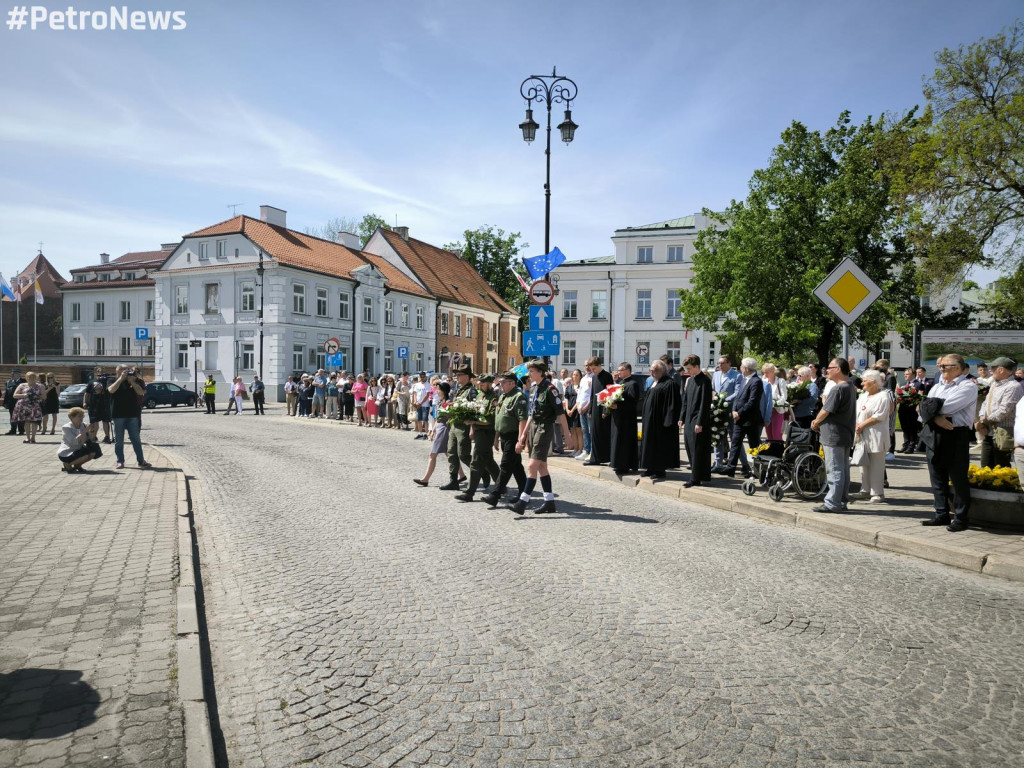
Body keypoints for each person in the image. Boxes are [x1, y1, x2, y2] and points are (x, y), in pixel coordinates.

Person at [919, 354, 977, 532]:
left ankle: (960, 517)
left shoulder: (967, 386)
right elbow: (922, 410)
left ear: (958, 368)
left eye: (945, 366)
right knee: (936, 475)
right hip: (934, 431)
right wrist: (935, 417)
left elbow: (946, 407)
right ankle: (941, 514)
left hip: (954, 433)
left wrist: (929, 409)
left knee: (957, 477)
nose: (941, 369)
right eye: (940, 366)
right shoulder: (937, 386)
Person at [510, 360, 573, 515]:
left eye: (532, 371)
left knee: (532, 466)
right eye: (529, 371)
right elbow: (531, 413)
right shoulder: (534, 389)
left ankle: (522, 502)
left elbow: (561, 414)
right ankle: (549, 502)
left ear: (540, 372)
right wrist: (524, 433)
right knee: (542, 467)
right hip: (533, 428)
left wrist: (567, 435)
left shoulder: (550, 390)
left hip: (544, 429)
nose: (529, 374)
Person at [810, 358, 857, 513]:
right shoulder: (850, 385)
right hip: (844, 433)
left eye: (829, 367)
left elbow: (826, 410)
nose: (826, 370)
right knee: (843, 469)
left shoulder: (838, 389)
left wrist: (816, 422)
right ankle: (841, 500)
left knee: (834, 469)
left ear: (837, 369)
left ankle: (832, 503)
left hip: (834, 434)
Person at [481, 371, 528, 508]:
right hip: (504, 435)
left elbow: (522, 420)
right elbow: (499, 418)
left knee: (506, 466)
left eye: (503, 383)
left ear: (512, 383)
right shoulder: (503, 397)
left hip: (513, 436)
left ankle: (495, 495)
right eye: (500, 382)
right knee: (516, 467)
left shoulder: (518, 397)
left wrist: (521, 440)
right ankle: (525, 494)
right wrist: (496, 437)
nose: (500, 385)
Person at [455, 373, 501, 502]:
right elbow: (474, 413)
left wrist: (473, 423)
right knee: (488, 461)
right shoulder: (480, 395)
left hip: (487, 433)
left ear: (489, 384)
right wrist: (472, 428)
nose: (480, 386)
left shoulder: (494, 399)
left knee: (476, 461)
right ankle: (500, 485)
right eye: (479, 384)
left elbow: (491, 420)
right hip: (478, 431)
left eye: (482, 384)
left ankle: (469, 493)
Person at [414, 382, 467, 488]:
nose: (436, 391)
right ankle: (461, 475)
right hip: (439, 428)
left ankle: (425, 479)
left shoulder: (448, 402)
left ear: (444, 391)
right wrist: (433, 429)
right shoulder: (440, 401)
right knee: (449, 454)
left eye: (438, 389)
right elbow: (437, 418)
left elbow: (450, 418)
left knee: (432, 454)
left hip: (444, 430)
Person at [638, 359, 682, 480]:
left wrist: (668, 420)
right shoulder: (654, 382)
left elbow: (672, 404)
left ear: (662, 371)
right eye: (651, 370)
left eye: (654, 370)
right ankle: (649, 467)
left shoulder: (669, 383)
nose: (651, 373)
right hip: (650, 421)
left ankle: (659, 470)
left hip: (660, 422)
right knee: (649, 444)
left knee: (659, 446)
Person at [718, 357, 763, 478]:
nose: (740, 368)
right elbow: (738, 397)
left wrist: (739, 413)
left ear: (747, 369)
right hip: (738, 419)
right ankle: (730, 468)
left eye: (742, 366)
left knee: (754, 446)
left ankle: (756, 471)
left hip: (750, 420)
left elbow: (752, 402)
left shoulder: (756, 381)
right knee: (735, 444)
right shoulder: (744, 379)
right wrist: (734, 410)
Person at [852, 370, 892, 503]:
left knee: (876, 464)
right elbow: (856, 411)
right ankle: (865, 489)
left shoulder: (883, 396)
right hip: (862, 433)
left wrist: (862, 424)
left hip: (876, 434)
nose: (862, 383)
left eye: (864, 380)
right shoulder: (863, 396)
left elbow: (879, 415)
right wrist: (857, 424)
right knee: (863, 462)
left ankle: (877, 493)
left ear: (874, 382)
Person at [976, 356, 1022, 469]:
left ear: (1001, 370)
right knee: (985, 466)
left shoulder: (1014, 386)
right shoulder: (994, 384)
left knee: (1001, 467)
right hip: (988, 431)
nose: (990, 371)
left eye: (992, 368)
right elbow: (985, 404)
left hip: (1003, 432)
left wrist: (984, 421)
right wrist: (982, 418)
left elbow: (1004, 410)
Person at [439, 365, 477, 491]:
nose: (457, 377)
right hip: (454, 424)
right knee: (451, 452)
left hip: (464, 426)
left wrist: (472, 427)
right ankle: (453, 480)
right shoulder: (458, 389)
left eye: (459, 375)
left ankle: (481, 471)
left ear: (466, 376)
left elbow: (474, 409)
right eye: (457, 375)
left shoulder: (471, 391)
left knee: (464, 455)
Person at [107, 365, 151, 470]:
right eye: (122, 370)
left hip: (132, 414)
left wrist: (132, 382)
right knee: (119, 440)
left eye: (127, 370)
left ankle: (141, 461)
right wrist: (121, 379)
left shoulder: (133, 380)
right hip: (118, 415)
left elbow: (141, 392)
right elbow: (111, 390)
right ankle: (120, 461)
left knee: (136, 439)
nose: (125, 372)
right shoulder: (111, 380)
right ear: (117, 371)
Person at [678, 355, 711, 487]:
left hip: (698, 420)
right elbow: (685, 401)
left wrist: (700, 422)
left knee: (697, 449)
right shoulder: (690, 381)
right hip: (688, 419)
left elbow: (704, 404)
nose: (688, 371)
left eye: (690, 368)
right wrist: (681, 417)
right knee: (689, 446)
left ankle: (696, 477)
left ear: (697, 366)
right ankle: (695, 475)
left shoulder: (705, 381)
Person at [607, 363, 640, 475]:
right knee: (617, 441)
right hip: (618, 418)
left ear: (627, 370)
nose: (618, 372)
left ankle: (625, 465)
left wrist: (618, 406)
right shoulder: (620, 383)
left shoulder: (633, 384)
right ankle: (617, 463)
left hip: (627, 419)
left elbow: (632, 401)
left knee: (624, 442)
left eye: (620, 370)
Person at [710, 355, 741, 472]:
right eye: (718, 363)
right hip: (718, 411)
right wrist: (715, 398)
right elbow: (713, 389)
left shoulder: (737, 376)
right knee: (717, 436)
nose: (720, 365)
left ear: (729, 363)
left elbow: (737, 393)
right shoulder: (716, 374)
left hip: (731, 411)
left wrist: (724, 400)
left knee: (734, 438)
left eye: (722, 363)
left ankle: (736, 464)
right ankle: (718, 463)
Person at [584, 357, 614, 466]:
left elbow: (610, 394)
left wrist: (606, 410)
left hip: (604, 409)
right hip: (596, 409)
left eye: (594, 368)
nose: (593, 371)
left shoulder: (607, 376)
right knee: (595, 434)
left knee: (604, 434)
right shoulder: (594, 377)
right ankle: (595, 458)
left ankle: (607, 458)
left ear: (599, 365)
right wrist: (590, 409)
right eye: (591, 369)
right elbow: (592, 395)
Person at [58, 406, 102, 472]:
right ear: (71, 417)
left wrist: (92, 431)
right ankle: (67, 464)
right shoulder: (66, 427)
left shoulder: (84, 425)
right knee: (85, 456)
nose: (82, 418)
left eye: (82, 416)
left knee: (93, 452)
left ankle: (77, 465)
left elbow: (92, 439)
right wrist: (85, 430)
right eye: (79, 416)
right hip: (67, 452)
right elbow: (74, 442)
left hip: (78, 449)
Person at [83, 366, 112, 444]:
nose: (101, 372)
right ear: (96, 372)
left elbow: (110, 391)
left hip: (105, 404)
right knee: (94, 421)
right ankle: (94, 436)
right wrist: (84, 402)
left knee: (105, 421)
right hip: (93, 404)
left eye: (103, 371)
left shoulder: (108, 381)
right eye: (99, 371)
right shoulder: (92, 382)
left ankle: (107, 436)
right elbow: (87, 393)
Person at [12, 371, 43, 444]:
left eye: (33, 377)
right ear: (26, 378)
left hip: (34, 406)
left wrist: (36, 396)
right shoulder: (21, 385)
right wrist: (23, 395)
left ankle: (33, 438)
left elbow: (44, 396)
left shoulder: (40, 386)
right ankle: (28, 438)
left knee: (34, 421)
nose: (31, 378)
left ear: (35, 378)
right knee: (26, 421)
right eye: (29, 377)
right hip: (23, 406)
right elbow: (14, 395)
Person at [762, 363, 788, 441]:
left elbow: (784, 396)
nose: (765, 374)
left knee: (776, 434)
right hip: (767, 411)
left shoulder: (780, 381)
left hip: (777, 410)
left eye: (767, 372)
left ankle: (778, 451)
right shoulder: (764, 381)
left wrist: (776, 403)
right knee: (768, 433)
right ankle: (771, 450)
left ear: (773, 371)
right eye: (764, 372)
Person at [576, 362, 594, 460]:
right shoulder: (583, 379)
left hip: (588, 408)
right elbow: (580, 394)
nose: (587, 367)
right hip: (581, 409)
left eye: (589, 365)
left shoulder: (594, 378)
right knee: (584, 430)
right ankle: (586, 450)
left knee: (590, 430)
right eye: (585, 365)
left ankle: (591, 451)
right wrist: (578, 405)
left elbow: (592, 396)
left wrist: (586, 407)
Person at [563, 369, 583, 457]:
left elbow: (580, 400)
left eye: (577, 375)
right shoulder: (569, 387)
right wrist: (567, 409)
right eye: (573, 375)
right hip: (569, 411)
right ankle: (575, 449)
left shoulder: (581, 387)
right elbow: (566, 398)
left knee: (578, 430)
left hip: (577, 411)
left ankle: (580, 449)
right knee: (572, 430)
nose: (575, 377)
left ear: (580, 376)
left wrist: (573, 409)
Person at [4, 368, 26, 435]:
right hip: (11, 402)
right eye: (12, 373)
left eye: (13, 373)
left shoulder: (24, 381)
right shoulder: (8, 382)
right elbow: (7, 392)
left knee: (21, 416)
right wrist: (5, 402)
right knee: (12, 416)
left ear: (18, 374)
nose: (12, 375)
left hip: (20, 402)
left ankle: (21, 430)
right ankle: (13, 429)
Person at [412, 372, 431, 439]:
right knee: (419, 419)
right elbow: (415, 393)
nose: (422, 378)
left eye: (423, 377)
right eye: (421, 377)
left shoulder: (428, 384)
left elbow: (427, 395)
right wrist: (415, 401)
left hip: (425, 405)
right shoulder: (417, 385)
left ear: (425, 377)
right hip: (418, 404)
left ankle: (426, 434)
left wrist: (421, 403)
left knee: (425, 420)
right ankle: (420, 433)